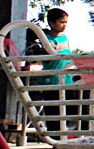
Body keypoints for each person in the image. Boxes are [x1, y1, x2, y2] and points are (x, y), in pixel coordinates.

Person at [29, 7, 73, 136]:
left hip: (66, 79)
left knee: (69, 108)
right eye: (61, 22)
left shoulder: (64, 37)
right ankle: (55, 135)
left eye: (65, 22)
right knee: (53, 109)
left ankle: (66, 134)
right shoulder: (45, 38)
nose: (64, 25)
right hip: (52, 78)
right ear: (52, 23)